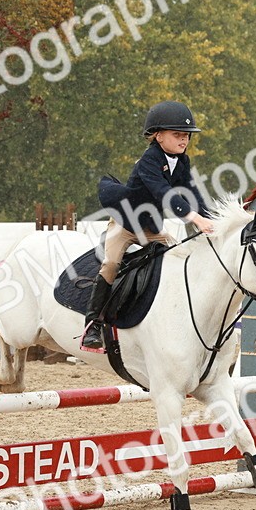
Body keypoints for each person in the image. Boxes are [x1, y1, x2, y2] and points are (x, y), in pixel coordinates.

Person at [82, 100, 214, 353]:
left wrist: (213, 220)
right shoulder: (148, 161)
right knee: (110, 264)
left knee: (178, 258)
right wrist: (195, 219)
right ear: (158, 135)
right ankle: (93, 325)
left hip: (151, 228)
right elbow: (165, 193)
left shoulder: (182, 162)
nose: (184, 141)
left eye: (186, 136)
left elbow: (191, 193)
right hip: (125, 223)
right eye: (177, 135)